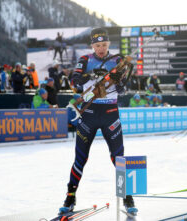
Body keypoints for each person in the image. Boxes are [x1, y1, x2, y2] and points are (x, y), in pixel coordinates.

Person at [59, 28, 137, 215]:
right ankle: (70, 196)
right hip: (89, 114)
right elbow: (75, 82)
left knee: (118, 158)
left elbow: (122, 90)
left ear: (108, 44)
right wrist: (93, 75)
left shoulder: (117, 60)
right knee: (80, 158)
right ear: (92, 46)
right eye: (97, 45)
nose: (101, 49)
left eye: (104, 45)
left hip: (110, 113)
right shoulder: (85, 60)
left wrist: (118, 81)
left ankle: (127, 196)